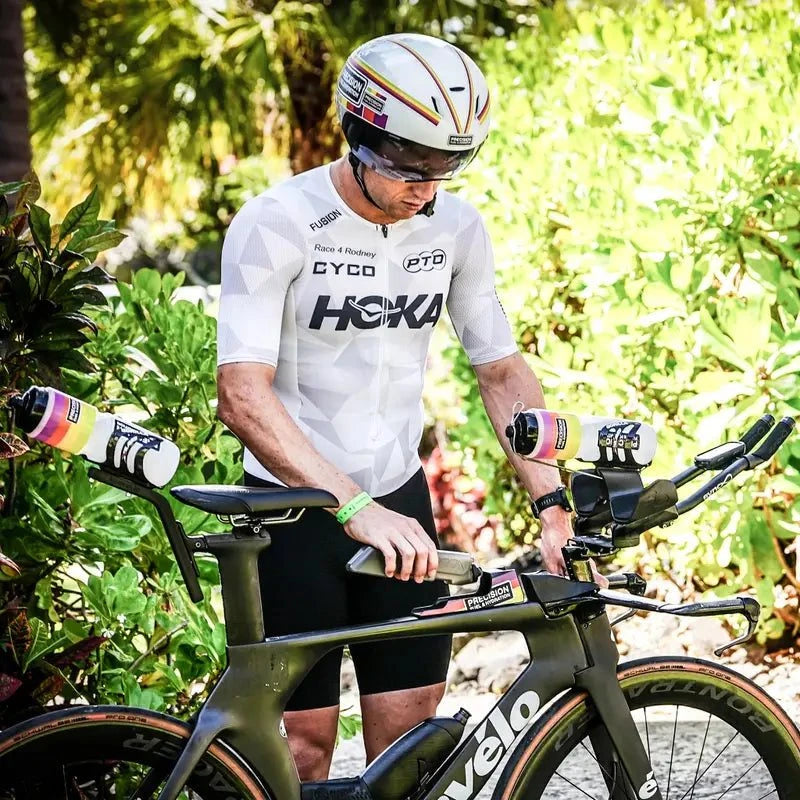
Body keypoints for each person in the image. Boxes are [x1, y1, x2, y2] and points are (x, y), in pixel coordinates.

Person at [216, 32, 578, 782]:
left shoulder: (455, 228)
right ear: (360, 137)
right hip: (291, 518)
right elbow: (241, 396)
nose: (427, 188)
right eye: (411, 168)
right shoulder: (277, 221)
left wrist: (552, 504)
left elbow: (500, 371)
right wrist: (351, 507)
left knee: (408, 750)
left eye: (447, 167)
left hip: (399, 503)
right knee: (301, 751)